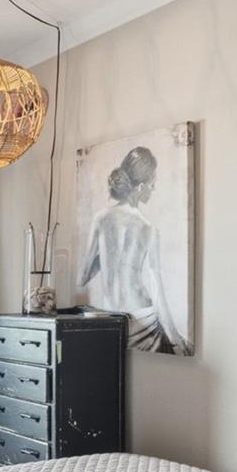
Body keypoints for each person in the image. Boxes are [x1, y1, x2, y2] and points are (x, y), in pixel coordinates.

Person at [78, 146, 187, 354]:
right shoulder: (148, 228)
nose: (153, 189)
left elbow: (81, 278)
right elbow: (157, 291)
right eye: (152, 183)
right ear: (140, 187)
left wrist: (106, 256)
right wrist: (175, 341)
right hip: (143, 321)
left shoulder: (100, 219)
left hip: (111, 321)